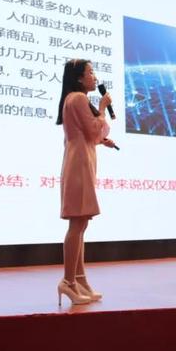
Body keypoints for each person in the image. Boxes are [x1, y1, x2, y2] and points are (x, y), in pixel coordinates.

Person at [55, 59, 116, 305]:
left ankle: (79, 279)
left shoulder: (74, 99)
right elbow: (91, 130)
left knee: (81, 223)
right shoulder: (78, 98)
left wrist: (102, 141)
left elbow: (85, 134)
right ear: (79, 77)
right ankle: (68, 281)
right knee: (77, 223)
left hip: (81, 162)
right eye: (90, 72)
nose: (95, 77)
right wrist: (102, 107)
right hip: (79, 166)